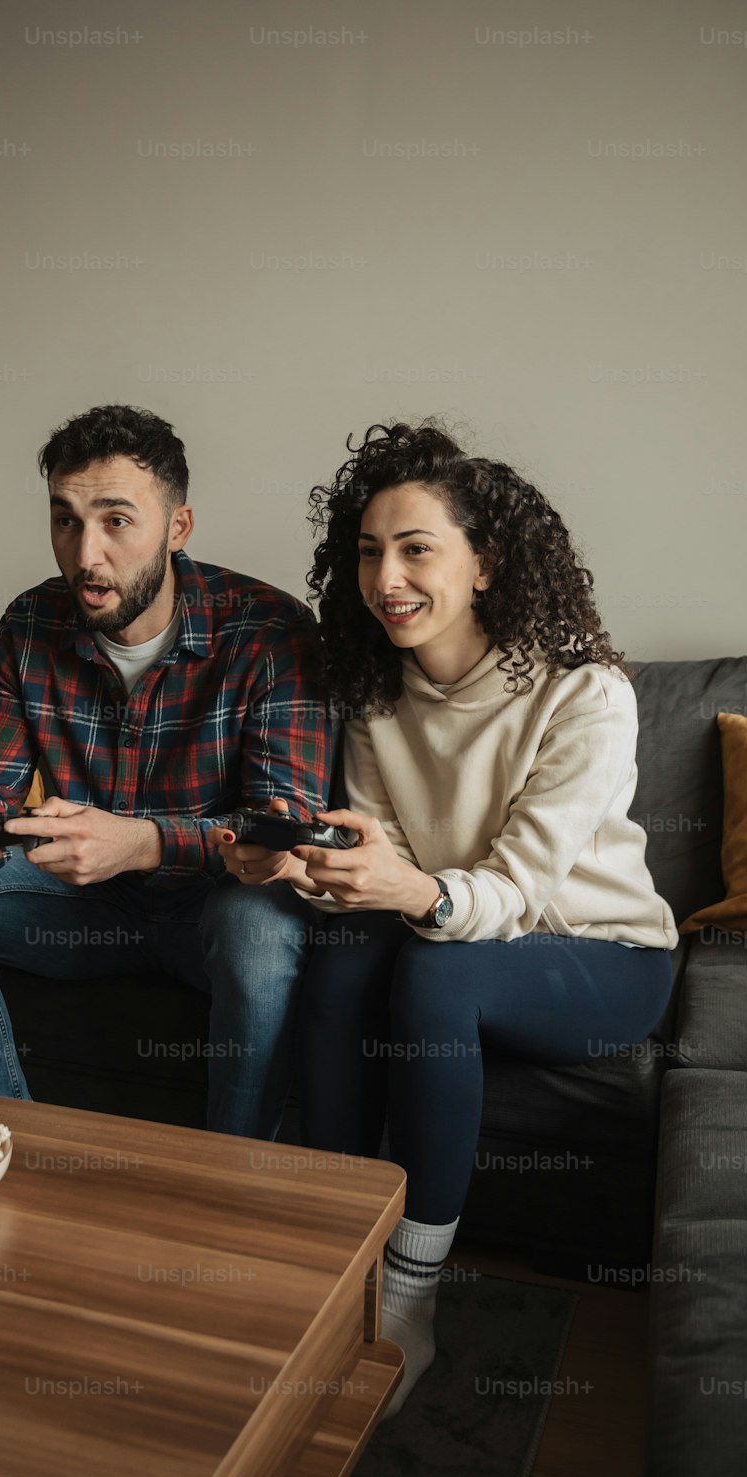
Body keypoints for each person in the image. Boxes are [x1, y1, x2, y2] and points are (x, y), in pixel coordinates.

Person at [209, 420, 677, 1417]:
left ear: (485, 564)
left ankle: (409, 1300)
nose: (386, 577)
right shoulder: (376, 694)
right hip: (454, 923)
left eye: (416, 548)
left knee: (435, 971)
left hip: (598, 956)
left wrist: (407, 890)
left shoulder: (584, 696)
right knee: (338, 947)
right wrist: (295, 861)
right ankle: (335, 1248)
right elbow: (377, 862)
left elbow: (509, 891)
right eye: (370, 551)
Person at [0, 404, 332, 1139]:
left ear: (178, 528)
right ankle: (4, 1140)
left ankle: (238, 1172)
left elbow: (282, 826)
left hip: (214, 909)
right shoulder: (30, 625)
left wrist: (143, 842)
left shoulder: (271, 629)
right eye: (65, 520)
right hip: (81, 908)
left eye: (116, 521)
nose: (86, 554)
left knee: (260, 926)